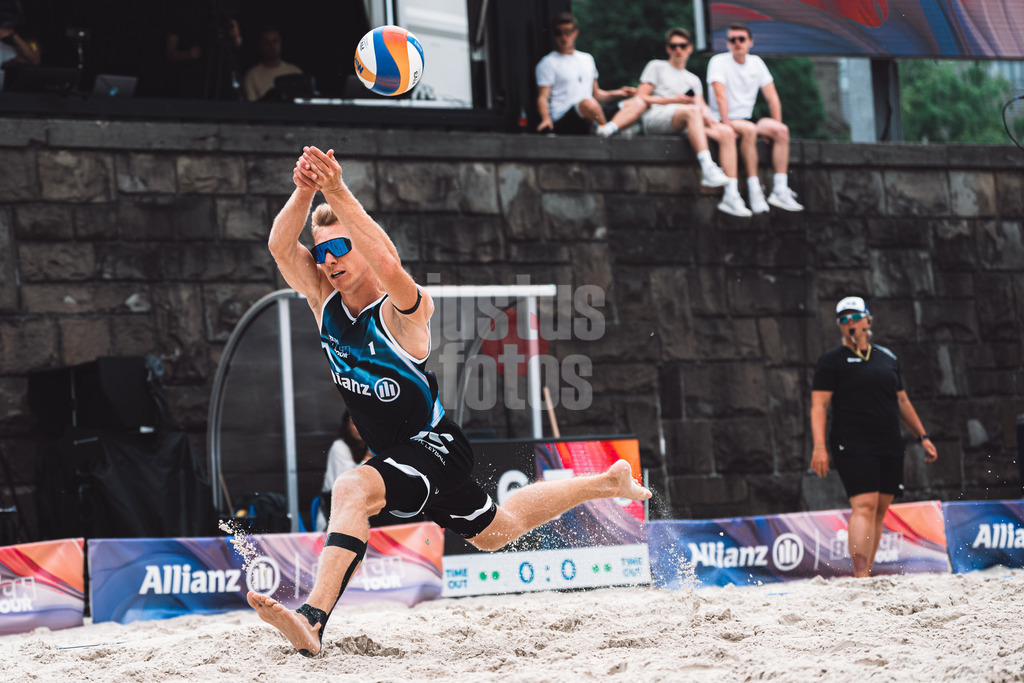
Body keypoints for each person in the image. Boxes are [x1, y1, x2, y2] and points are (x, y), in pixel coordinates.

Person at [248, 144, 652, 656]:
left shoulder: (403, 311)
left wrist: (337, 189)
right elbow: (281, 247)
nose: (328, 262)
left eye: (339, 249)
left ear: (362, 247)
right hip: (399, 457)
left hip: (434, 446)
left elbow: (389, 260)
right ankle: (606, 481)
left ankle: (312, 619)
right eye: (322, 252)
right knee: (498, 531)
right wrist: (306, 188)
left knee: (351, 489)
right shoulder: (324, 301)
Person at [810, 296, 938, 578]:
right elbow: (819, 405)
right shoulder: (832, 361)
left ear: (868, 320)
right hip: (852, 441)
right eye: (843, 320)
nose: (850, 323)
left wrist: (922, 436)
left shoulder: (887, 357)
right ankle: (860, 577)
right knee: (864, 505)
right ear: (839, 327)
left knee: (880, 508)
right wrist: (819, 446)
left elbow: (902, 401)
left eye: (855, 317)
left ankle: (866, 569)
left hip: (889, 441)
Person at [636, 28, 748, 216]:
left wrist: (713, 121)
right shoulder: (656, 66)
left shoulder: (693, 80)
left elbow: (702, 107)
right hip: (657, 118)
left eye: (682, 45)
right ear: (668, 49)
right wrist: (674, 100)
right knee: (692, 111)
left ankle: (731, 195)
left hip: (687, 120)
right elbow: (640, 97)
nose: (678, 49)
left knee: (726, 133)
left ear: (690, 48)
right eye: (674, 46)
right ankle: (707, 168)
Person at [706, 23, 804, 213]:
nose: (737, 43)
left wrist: (775, 124)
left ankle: (780, 189)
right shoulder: (718, 61)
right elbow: (720, 97)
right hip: (722, 119)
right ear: (727, 43)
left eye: (741, 39)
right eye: (732, 39)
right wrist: (727, 127)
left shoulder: (757, 63)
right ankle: (754, 190)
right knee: (750, 129)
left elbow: (773, 99)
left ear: (750, 42)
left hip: (746, 119)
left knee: (781, 131)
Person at [535, 12, 644, 136]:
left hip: (593, 116)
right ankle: (614, 132)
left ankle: (607, 130)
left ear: (575, 33)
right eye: (559, 33)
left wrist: (618, 93)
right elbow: (543, 97)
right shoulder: (548, 63)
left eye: (567, 32)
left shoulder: (587, 59)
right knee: (588, 103)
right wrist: (546, 119)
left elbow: (596, 94)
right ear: (554, 34)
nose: (563, 37)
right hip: (566, 119)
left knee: (638, 102)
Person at [315, 412, 370, 531]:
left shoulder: (370, 446)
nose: (360, 428)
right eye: (354, 424)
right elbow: (349, 482)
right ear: (347, 426)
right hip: (335, 514)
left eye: (363, 423)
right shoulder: (339, 447)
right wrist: (367, 457)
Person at [243, 26, 302, 102]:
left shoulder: (295, 72)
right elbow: (251, 108)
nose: (271, 46)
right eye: (266, 42)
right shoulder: (251, 76)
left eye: (275, 41)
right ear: (260, 45)